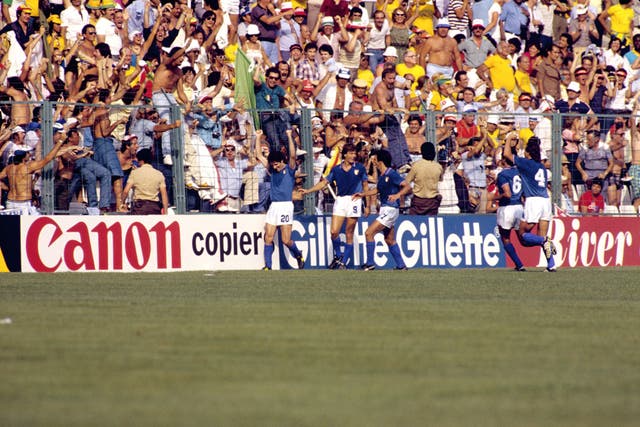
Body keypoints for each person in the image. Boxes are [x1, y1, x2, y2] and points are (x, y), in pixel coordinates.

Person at [300, 143, 367, 269]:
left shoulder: (360, 167)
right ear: (345, 155)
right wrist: (309, 191)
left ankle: (343, 261)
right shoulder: (336, 169)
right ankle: (339, 255)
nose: (354, 156)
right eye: (351, 153)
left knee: (349, 232)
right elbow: (324, 183)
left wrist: (367, 204)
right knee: (333, 231)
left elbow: (365, 185)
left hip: (355, 200)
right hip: (340, 200)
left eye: (354, 153)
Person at [502, 135, 558, 272]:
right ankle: (551, 265)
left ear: (528, 153)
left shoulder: (526, 163)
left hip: (534, 201)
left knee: (523, 234)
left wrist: (509, 139)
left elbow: (506, 154)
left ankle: (544, 241)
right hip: (546, 201)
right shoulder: (542, 167)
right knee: (542, 235)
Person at [260, 129, 305, 270]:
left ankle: (298, 255)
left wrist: (289, 136)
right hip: (274, 206)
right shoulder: (272, 170)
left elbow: (292, 155)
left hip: (286, 206)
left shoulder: (290, 169)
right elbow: (258, 155)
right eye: (272, 164)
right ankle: (268, 266)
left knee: (286, 240)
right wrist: (257, 138)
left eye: (276, 164)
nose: (275, 166)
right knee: (268, 237)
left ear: (281, 161)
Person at [358, 149, 409, 271]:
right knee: (389, 240)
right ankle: (401, 266)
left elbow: (407, 186)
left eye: (374, 159)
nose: (373, 161)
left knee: (369, 233)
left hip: (391, 209)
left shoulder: (392, 174)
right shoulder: (382, 175)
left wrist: (397, 195)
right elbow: (377, 190)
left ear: (380, 160)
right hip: (386, 210)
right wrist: (362, 194)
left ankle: (370, 264)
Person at [0, 125, 67, 215]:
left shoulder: (9, 168)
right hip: (23, 204)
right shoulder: (28, 167)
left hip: (10, 202)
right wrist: (60, 141)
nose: (30, 154)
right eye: (28, 153)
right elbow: (47, 159)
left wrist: (8, 188)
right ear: (24, 157)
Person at [394, 142, 443, 215]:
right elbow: (440, 179)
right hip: (432, 202)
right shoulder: (438, 167)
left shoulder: (416, 166)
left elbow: (406, 182)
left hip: (418, 203)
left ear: (422, 152)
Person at [495, 155, 526, 271]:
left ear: (503, 161)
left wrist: (494, 197)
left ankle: (519, 265)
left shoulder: (503, 174)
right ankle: (542, 241)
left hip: (507, 208)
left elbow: (507, 194)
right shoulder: (519, 172)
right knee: (523, 239)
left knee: (505, 237)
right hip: (519, 206)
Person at [120, 148, 169, 215]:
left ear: (142, 161)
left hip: (139, 207)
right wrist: (165, 212)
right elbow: (164, 195)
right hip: (155, 208)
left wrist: (122, 203)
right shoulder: (159, 174)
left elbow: (126, 191)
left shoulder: (135, 173)